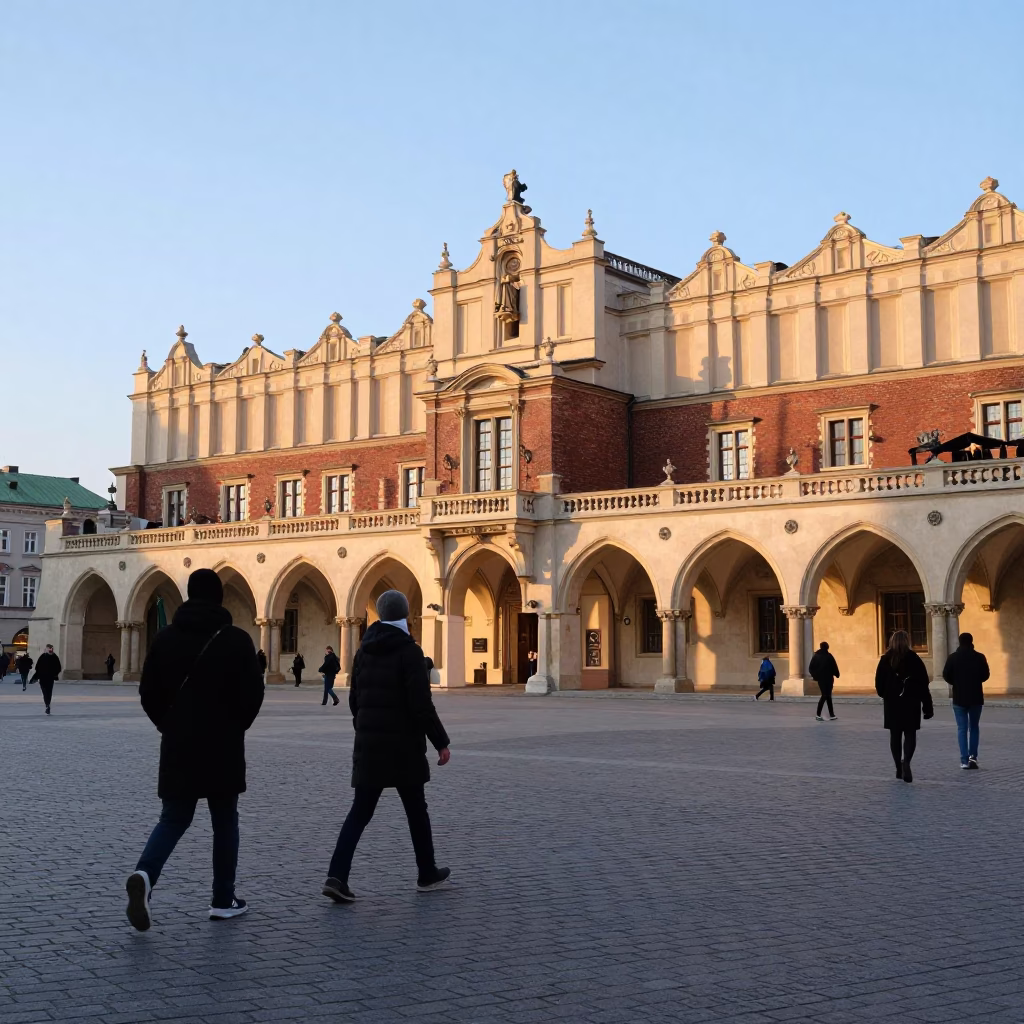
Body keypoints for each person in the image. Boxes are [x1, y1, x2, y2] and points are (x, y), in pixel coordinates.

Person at [124, 568, 265, 931]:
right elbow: (253, 694)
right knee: (225, 821)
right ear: (219, 597)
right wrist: (235, 726)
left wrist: (168, 725)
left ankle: (145, 873)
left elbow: (148, 693)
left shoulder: (166, 637)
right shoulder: (236, 639)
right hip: (223, 743)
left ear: (188, 595)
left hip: (178, 742)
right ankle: (223, 899)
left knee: (173, 818)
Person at [322, 590, 451, 903]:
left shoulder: (363, 651)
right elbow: (421, 704)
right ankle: (426, 872)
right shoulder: (410, 652)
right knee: (416, 811)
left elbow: (354, 701)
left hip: (370, 744)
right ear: (406, 615)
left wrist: (365, 729)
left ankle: (336, 876)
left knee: (360, 811)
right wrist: (441, 742)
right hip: (404, 746)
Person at [875, 629, 933, 783]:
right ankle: (906, 761)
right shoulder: (914, 659)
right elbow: (923, 684)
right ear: (907, 641)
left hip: (892, 703)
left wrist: (887, 694)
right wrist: (927, 707)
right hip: (911, 701)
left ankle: (898, 767)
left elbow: (878, 684)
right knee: (910, 733)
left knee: (895, 735)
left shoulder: (885, 659)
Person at [942, 632, 990, 769]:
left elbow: (946, 675)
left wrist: (955, 683)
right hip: (975, 696)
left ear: (959, 642)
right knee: (974, 727)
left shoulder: (953, 658)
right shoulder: (980, 657)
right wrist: (976, 681)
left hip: (959, 697)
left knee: (962, 729)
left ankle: (964, 760)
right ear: (971, 641)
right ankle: (973, 757)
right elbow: (985, 675)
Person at [808, 641, 841, 721]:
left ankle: (831, 714)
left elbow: (811, 668)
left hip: (822, 679)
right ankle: (818, 714)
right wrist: (837, 674)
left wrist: (816, 676)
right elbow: (834, 667)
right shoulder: (829, 656)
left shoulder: (816, 656)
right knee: (825, 695)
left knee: (828, 696)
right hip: (828, 679)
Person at [32, 644, 62, 715]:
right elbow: (37, 667)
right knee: (46, 692)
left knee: (48, 692)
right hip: (43, 678)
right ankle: (47, 704)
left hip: (50, 678)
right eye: (49, 648)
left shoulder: (54, 657)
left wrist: (54, 674)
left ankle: (47, 704)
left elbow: (58, 667)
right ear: (46, 649)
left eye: (51, 648)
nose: (50, 650)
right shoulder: (43, 656)